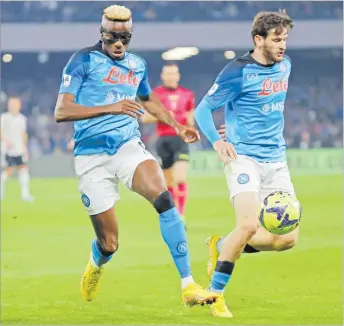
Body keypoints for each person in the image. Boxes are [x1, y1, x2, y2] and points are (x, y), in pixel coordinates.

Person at [54, 5, 218, 308]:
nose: (119, 45)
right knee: (110, 244)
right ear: (103, 35)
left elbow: (147, 99)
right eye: (114, 38)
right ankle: (96, 263)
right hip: (91, 157)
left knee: (165, 200)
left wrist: (177, 125)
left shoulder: (136, 65)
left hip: (127, 147)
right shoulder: (83, 61)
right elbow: (61, 111)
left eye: (125, 39)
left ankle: (188, 285)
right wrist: (112, 107)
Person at [194, 10, 299, 317]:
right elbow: (203, 110)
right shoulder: (236, 71)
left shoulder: (286, 66)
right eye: (277, 40)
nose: (283, 46)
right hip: (243, 159)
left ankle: (223, 246)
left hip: (276, 160)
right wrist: (218, 139)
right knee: (250, 224)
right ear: (258, 40)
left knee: (286, 239)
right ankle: (215, 293)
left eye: (285, 39)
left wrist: (233, 120)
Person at [141, 64, 195, 225]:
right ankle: (173, 213)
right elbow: (145, 118)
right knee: (169, 182)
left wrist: (186, 122)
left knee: (180, 178)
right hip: (163, 141)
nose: (171, 77)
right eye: (168, 74)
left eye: (174, 74)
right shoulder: (155, 95)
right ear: (163, 76)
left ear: (178, 76)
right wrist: (164, 116)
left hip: (180, 140)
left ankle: (181, 214)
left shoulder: (188, 94)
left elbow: (191, 119)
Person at [1, 96, 34, 202]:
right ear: (8, 106)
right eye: (12, 104)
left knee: (23, 169)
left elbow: (24, 133)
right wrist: (5, 141)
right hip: (7, 149)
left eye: (16, 104)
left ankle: (25, 194)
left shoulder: (22, 118)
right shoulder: (4, 117)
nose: (14, 106)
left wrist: (25, 147)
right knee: (8, 171)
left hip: (19, 149)